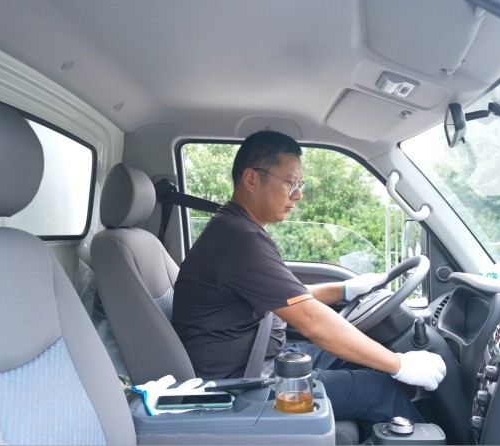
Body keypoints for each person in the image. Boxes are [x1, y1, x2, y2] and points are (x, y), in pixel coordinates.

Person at [172, 130, 445, 438]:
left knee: (364, 360)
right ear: (251, 179)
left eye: (299, 184)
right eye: (290, 182)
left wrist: (345, 290)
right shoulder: (241, 240)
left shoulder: (236, 229)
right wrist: (399, 364)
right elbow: (312, 320)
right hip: (243, 387)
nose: (298, 195)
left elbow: (290, 299)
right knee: (380, 388)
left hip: (261, 360)